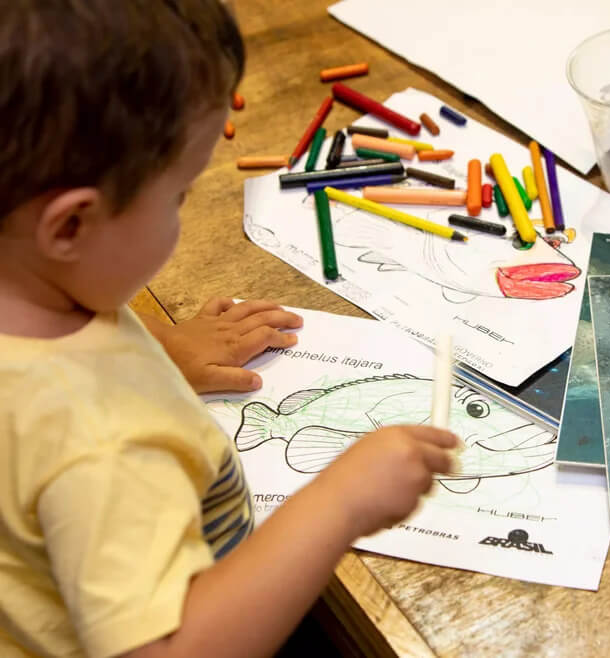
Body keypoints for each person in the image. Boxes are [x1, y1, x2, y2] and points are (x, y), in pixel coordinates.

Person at [0, 2, 458, 657]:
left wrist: (159, 352)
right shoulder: (99, 446)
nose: (183, 211)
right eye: (179, 194)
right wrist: (339, 502)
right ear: (70, 226)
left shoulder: (32, 283)